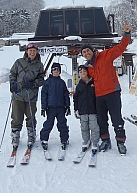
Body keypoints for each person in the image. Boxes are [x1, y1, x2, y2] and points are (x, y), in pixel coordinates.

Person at [80, 22, 131, 155]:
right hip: (99, 96)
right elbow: (85, 80)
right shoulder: (87, 67)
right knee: (101, 120)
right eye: (84, 52)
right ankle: (106, 141)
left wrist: (126, 34)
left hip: (112, 92)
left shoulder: (105, 55)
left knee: (116, 118)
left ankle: (121, 142)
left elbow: (121, 48)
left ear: (92, 50)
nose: (86, 53)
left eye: (87, 50)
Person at [9, 42, 45, 152]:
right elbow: (12, 74)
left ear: (37, 52)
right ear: (27, 51)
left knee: (30, 116)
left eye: (34, 51)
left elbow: (41, 79)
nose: (32, 52)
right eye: (30, 51)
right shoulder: (19, 62)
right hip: (18, 95)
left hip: (31, 96)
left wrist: (33, 84)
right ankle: (15, 136)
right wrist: (12, 84)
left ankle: (31, 135)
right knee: (16, 117)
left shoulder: (39, 65)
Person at [40, 62, 71, 151]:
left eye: (57, 70)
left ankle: (64, 139)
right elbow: (44, 95)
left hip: (61, 107)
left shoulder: (62, 82)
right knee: (49, 124)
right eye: (54, 69)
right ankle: (44, 139)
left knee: (62, 124)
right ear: (52, 71)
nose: (56, 71)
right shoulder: (47, 82)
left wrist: (67, 106)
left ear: (60, 71)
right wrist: (43, 107)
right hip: (51, 107)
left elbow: (66, 94)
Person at [73, 65, 99, 154]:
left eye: (84, 71)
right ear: (78, 74)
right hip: (82, 110)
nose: (83, 73)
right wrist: (76, 109)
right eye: (80, 72)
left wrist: (99, 109)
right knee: (84, 127)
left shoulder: (93, 83)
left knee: (94, 127)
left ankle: (95, 142)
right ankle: (86, 141)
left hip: (93, 109)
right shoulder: (79, 86)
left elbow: (97, 96)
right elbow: (75, 98)